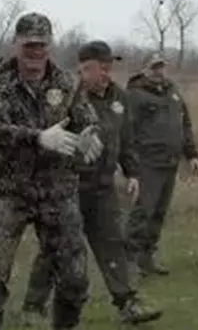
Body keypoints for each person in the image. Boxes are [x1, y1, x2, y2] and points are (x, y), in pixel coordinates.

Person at [0, 12, 104, 330]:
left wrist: (90, 134)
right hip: (9, 192)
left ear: (50, 45)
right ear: (16, 43)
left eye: (41, 45)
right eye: (29, 44)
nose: (35, 51)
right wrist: (38, 138)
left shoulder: (66, 82)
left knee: (74, 278)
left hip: (57, 191)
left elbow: (85, 117)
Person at [21, 41, 163, 325]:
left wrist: (132, 173)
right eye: (101, 68)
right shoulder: (67, 97)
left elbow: (126, 139)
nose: (107, 73)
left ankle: (127, 303)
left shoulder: (119, 98)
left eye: (109, 67)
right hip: (69, 187)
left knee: (112, 243)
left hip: (103, 187)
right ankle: (33, 307)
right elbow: (48, 139)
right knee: (56, 247)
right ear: (85, 69)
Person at [124, 53, 198, 276]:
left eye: (161, 67)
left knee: (159, 213)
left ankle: (147, 257)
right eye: (154, 67)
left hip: (170, 162)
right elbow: (127, 130)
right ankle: (128, 262)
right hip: (148, 163)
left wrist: (191, 154)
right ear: (145, 70)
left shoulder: (173, 91)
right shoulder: (135, 95)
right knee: (143, 212)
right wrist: (131, 163)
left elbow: (184, 124)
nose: (159, 72)